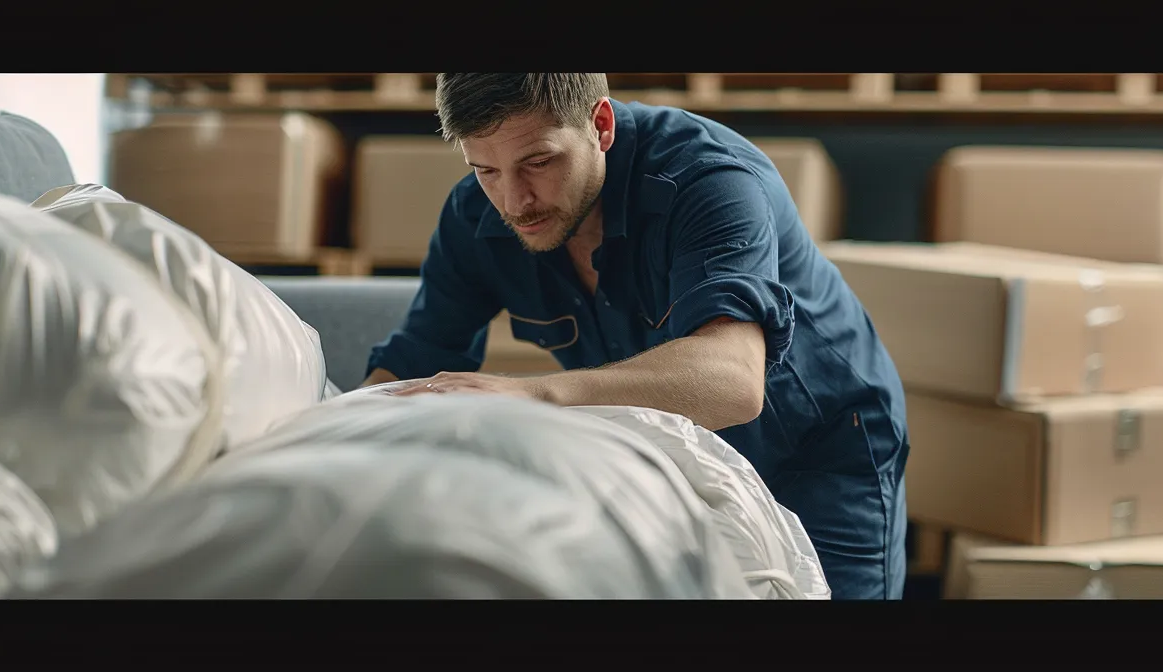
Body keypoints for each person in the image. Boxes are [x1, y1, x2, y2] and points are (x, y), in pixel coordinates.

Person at [362, 73, 909, 600]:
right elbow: (416, 359)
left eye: (539, 162)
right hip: (668, 455)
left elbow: (734, 381)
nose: (514, 201)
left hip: (820, 446)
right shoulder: (473, 215)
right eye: (486, 170)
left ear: (600, 125)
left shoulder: (711, 180)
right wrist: (332, 433)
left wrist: (533, 396)